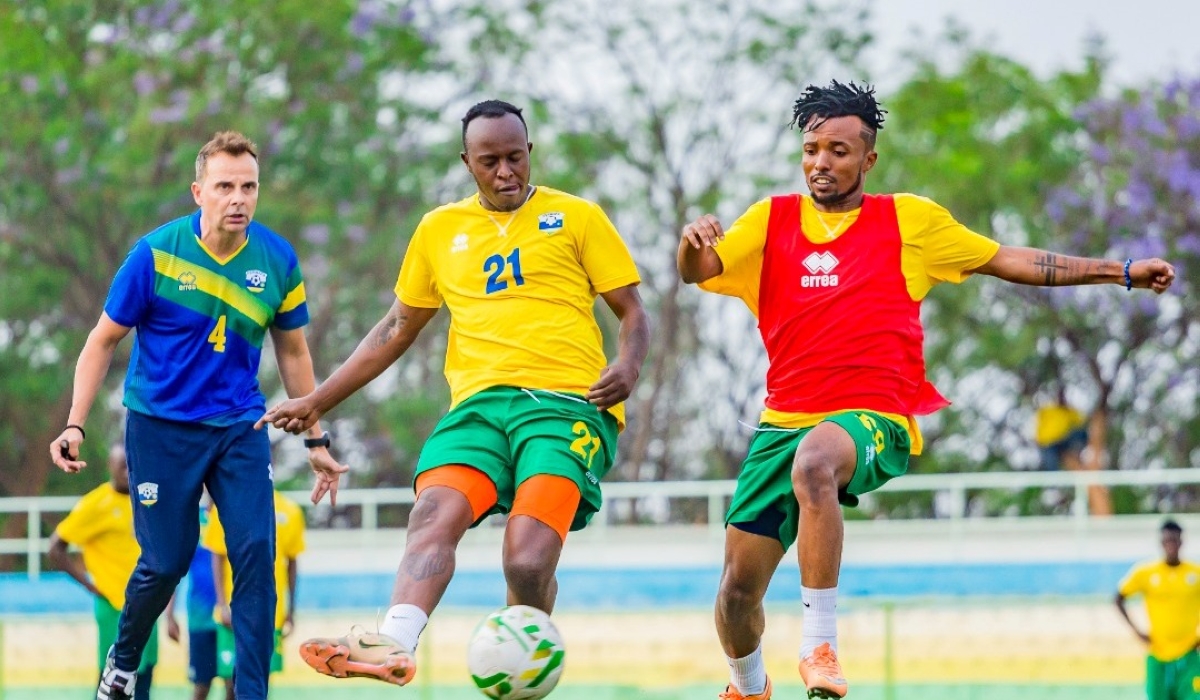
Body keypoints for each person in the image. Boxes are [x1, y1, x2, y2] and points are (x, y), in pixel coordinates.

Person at [676, 80, 1176, 700]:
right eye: (811, 150)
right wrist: (691, 244)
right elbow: (699, 271)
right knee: (735, 594)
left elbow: (1007, 259)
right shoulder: (770, 220)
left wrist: (1120, 271)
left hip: (872, 418)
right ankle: (749, 687)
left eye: (838, 150)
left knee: (816, 462)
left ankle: (819, 646)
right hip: (781, 423)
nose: (821, 162)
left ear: (869, 159)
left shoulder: (908, 221)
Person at [258, 99, 650, 686]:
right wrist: (318, 401)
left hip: (567, 405)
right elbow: (396, 327)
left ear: (530, 151)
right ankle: (393, 644)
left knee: (526, 559)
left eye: (515, 157)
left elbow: (633, 311)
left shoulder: (578, 217)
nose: (505, 172)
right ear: (467, 162)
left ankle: (526, 668)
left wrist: (629, 365)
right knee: (433, 512)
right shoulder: (439, 229)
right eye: (490, 161)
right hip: (478, 409)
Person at [48, 131, 348, 700]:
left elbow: (293, 351)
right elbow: (102, 340)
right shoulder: (155, 254)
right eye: (225, 186)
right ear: (198, 192)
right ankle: (123, 662)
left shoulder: (278, 259)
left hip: (240, 426)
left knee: (256, 554)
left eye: (249, 187)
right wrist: (74, 422)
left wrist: (315, 440)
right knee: (166, 562)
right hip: (160, 427)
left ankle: (252, 693)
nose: (239, 198)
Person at [50, 446, 162, 700]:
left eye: (130, 465)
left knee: (144, 676)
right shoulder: (96, 504)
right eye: (121, 466)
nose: (127, 471)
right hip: (114, 605)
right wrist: (90, 586)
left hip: (147, 603)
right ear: (110, 467)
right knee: (112, 678)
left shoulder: (145, 499)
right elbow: (55, 548)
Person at [203, 489, 307, 699]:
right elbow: (217, 557)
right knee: (231, 684)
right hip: (233, 612)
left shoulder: (290, 510)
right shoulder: (225, 504)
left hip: (270, 614)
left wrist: (291, 610)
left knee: (261, 681)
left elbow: (292, 562)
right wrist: (222, 604)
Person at [1117, 520, 1200, 700]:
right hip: (1158, 653)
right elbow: (1119, 598)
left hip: (1189, 653)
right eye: (1167, 540)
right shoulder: (1145, 573)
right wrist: (1137, 631)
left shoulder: (1196, 573)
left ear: (1181, 542)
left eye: (1174, 540)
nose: (1171, 545)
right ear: (1161, 543)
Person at [165, 501, 222, 700]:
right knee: (201, 684)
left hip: (231, 617)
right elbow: (176, 568)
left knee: (234, 684)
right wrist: (169, 615)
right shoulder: (191, 518)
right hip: (200, 617)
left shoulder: (234, 513)